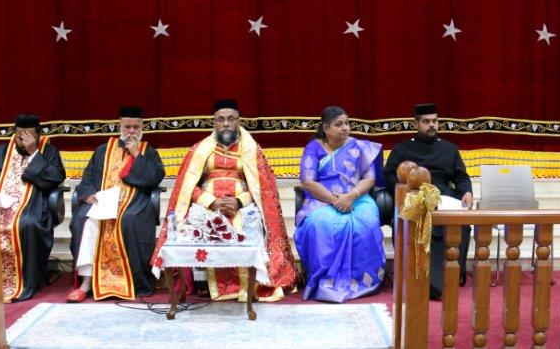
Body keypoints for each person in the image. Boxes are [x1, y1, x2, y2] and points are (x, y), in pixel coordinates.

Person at [150, 99, 297, 301]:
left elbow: (262, 189)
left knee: (249, 223)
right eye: (221, 119)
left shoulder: (252, 150)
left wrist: (239, 201)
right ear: (214, 122)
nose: (226, 124)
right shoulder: (199, 149)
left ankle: (248, 285)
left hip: (243, 206)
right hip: (208, 206)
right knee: (199, 224)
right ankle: (208, 284)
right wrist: (211, 202)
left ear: (238, 121)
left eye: (231, 119)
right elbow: (187, 187)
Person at [67, 107, 165, 302]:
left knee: (129, 221)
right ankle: (86, 282)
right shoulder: (103, 150)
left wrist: (136, 154)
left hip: (133, 203)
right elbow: (87, 178)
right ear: (120, 125)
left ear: (142, 127)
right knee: (84, 221)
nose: (131, 131)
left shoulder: (148, 151)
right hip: (101, 203)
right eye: (127, 126)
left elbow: (153, 178)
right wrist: (89, 194)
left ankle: (131, 281)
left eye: (135, 127)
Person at [296, 106, 386, 302]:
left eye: (347, 123)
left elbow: (369, 178)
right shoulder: (313, 147)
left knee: (367, 223)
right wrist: (335, 200)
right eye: (339, 124)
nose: (345, 128)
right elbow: (308, 182)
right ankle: (324, 281)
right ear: (326, 128)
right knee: (318, 224)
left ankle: (363, 281)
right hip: (321, 199)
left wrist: (351, 196)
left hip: (358, 198)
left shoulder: (359, 146)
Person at [384, 103, 473, 299]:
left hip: (444, 196)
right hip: (414, 196)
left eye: (434, 121)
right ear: (416, 123)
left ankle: (451, 277)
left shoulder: (449, 149)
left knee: (461, 223)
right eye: (426, 121)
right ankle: (428, 283)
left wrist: (467, 192)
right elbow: (388, 175)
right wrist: (405, 191)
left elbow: (461, 177)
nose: (431, 125)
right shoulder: (402, 148)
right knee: (421, 222)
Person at [0, 114, 66, 302]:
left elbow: (55, 178)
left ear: (38, 135)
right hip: (0, 205)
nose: (23, 140)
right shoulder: (1, 152)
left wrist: (33, 154)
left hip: (32, 205)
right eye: (19, 135)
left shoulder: (48, 152)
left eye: (28, 136)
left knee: (28, 224)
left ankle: (26, 281)